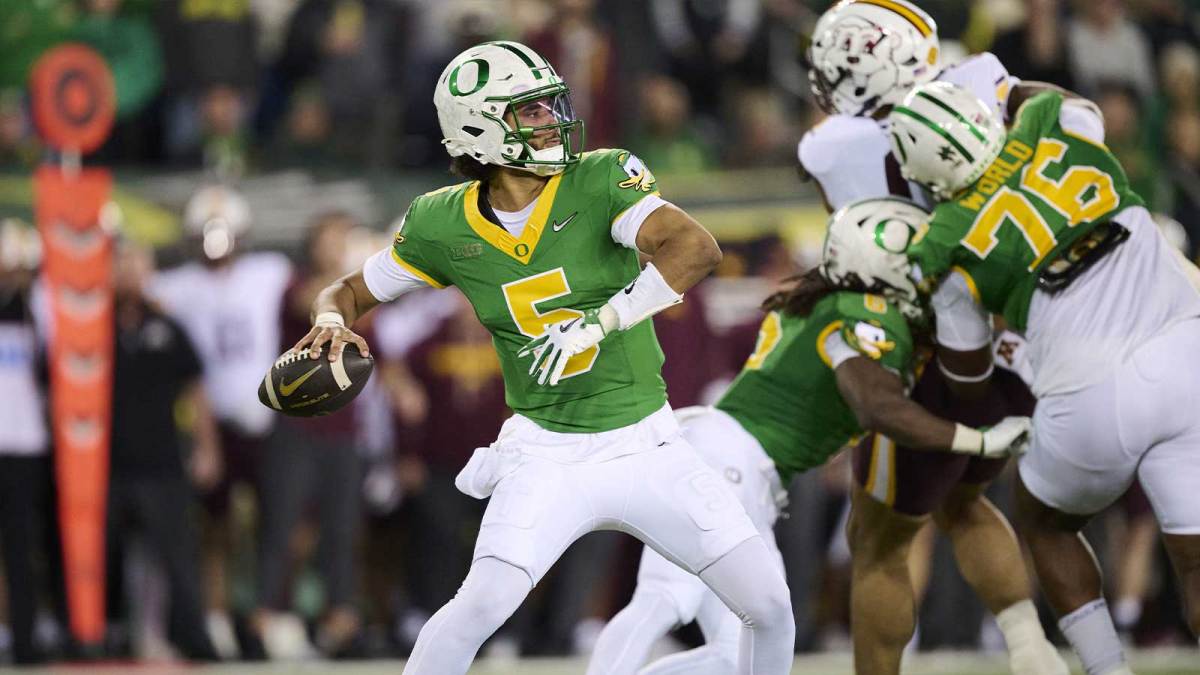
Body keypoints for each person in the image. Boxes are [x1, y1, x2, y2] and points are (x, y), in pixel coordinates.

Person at [293, 40, 795, 674]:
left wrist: (603, 321)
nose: (552, 120)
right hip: (547, 452)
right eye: (529, 111)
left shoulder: (600, 178)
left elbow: (695, 248)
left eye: (549, 105)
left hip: (647, 440)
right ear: (479, 128)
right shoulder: (441, 223)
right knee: (480, 605)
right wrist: (331, 321)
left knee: (770, 607)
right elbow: (346, 290)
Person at [586, 198, 1036, 675]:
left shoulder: (829, 301)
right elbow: (877, 405)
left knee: (749, 647)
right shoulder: (862, 311)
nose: (926, 275)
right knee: (670, 598)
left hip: (735, 464)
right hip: (730, 461)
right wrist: (976, 440)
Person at [888, 79, 1200, 675]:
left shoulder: (944, 241)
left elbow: (968, 377)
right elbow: (1064, 100)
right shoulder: (1056, 123)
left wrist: (1005, 347)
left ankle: (1107, 668)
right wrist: (1011, 89)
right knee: (1195, 553)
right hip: (1187, 354)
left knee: (1043, 522)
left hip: (1090, 392)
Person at [801, 3, 1067, 673]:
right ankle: (1030, 645)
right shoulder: (977, 80)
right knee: (961, 500)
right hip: (1018, 336)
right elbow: (1057, 108)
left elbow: (855, 241)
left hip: (930, 351)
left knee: (878, 541)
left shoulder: (830, 147)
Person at [152, 184, 294, 658]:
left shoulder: (268, 272)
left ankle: (269, 618)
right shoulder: (176, 286)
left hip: (266, 420)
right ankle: (213, 618)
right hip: (208, 424)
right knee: (214, 529)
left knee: (279, 525)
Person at [106, 241, 220, 661]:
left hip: (161, 460)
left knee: (177, 555)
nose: (129, 274)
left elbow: (196, 389)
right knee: (103, 556)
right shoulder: (92, 327)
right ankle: (103, 635)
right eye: (121, 265)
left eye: (137, 265)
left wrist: (207, 448)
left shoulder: (168, 327)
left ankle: (192, 639)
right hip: (105, 464)